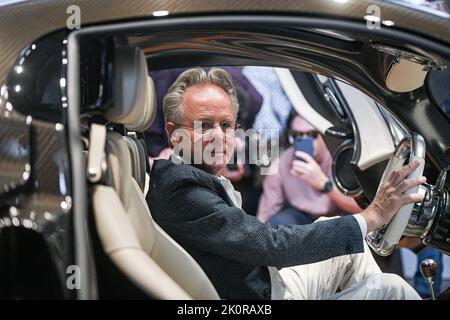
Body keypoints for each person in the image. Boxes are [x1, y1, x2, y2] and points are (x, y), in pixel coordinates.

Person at [147, 67, 425, 300]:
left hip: (267, 280)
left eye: (227, 125)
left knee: (353, 245)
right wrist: (371, 216)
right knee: (393, 288)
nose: (220, 136)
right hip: (265, 296)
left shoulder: (177, 171)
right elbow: (271, 244)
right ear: (173, 133)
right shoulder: (183, 187)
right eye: (204, 125)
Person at [257, 112, 361, 226]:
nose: (305, 140)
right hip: (301, 218)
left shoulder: (338, 158)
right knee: (278, 223)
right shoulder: (282, 163)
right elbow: (266, 212)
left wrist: (324, 184)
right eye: (298, 135)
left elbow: (360, 209)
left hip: (337, 218)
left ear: (322, 135)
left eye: (312, 134)